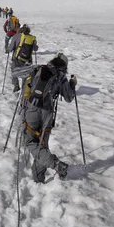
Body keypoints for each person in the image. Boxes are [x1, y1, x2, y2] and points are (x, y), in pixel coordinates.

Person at [22, 53, 77, 183]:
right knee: (42, 145)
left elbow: (27, 85)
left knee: (30, 142)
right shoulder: (61, 77)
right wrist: (72, 84)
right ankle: (38, 178)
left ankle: (55, 165)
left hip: (32, 109)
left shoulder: (38, 69)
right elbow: (69, 97)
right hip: (47, 113)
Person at [8, 24, 38, 92]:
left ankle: (16, 85)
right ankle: (24, 88)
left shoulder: (16, 36)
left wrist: (8, 48)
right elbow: (35, 49)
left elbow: (10, 48)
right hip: (28, 60)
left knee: (13, 72)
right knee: (26, 74)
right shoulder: (32, 38)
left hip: (17, 59)